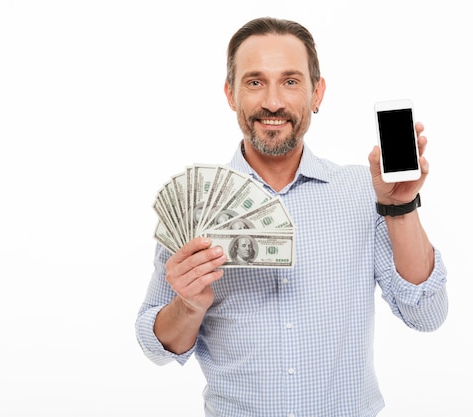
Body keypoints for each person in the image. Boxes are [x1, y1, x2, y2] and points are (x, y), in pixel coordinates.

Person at [136, 16, 448, 417]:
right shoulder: (195, 207)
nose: (273, 102)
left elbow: (427, 315)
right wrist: (189, 305)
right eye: (254, 82)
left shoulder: (362, 192)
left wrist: (400, 206)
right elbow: (156, 347)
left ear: (317, 93)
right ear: (230, 94)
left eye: (290, 81)